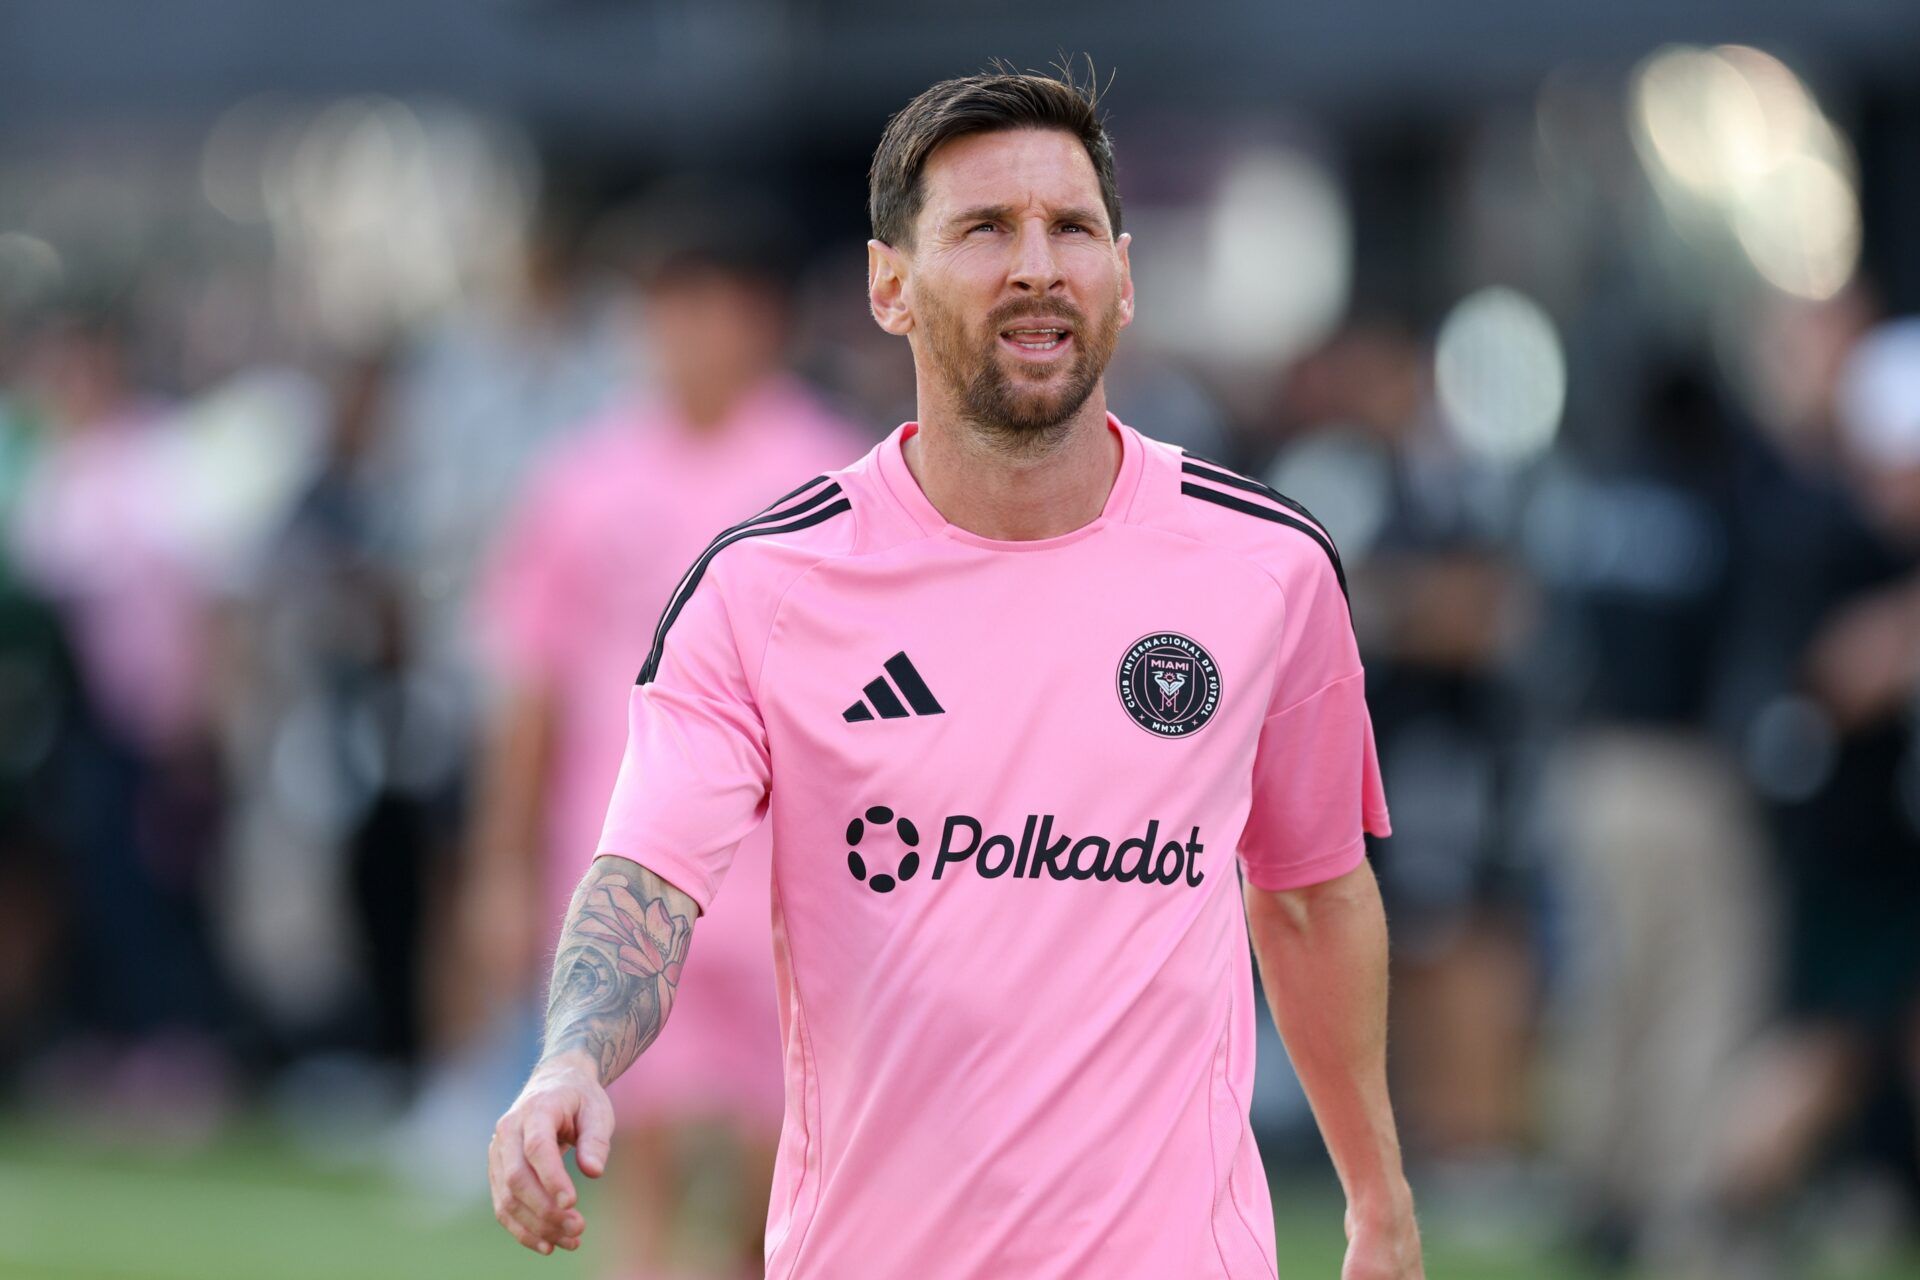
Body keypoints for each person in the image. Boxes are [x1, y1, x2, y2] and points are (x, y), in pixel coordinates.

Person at [488, 68, 1424, 1280]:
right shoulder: (762, 585)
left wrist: (1376, 1194)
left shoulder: (1268, 568)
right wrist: (569, 1056)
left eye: (1071, 228)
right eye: (985, 229)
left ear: (1125, 278)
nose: (1037, 264)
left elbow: (1309, 892)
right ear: (890, 285)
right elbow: (651, 874)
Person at [466, 195, 868, 1277]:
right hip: (623, 847)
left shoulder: (832, 476)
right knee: (623, 1144)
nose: (688, 334)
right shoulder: (580, 479)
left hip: (788, 859)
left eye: (713, 308)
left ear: (764, 320)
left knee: (777, 1166)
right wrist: (501, 867)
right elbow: (529, 676)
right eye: (667, 309)